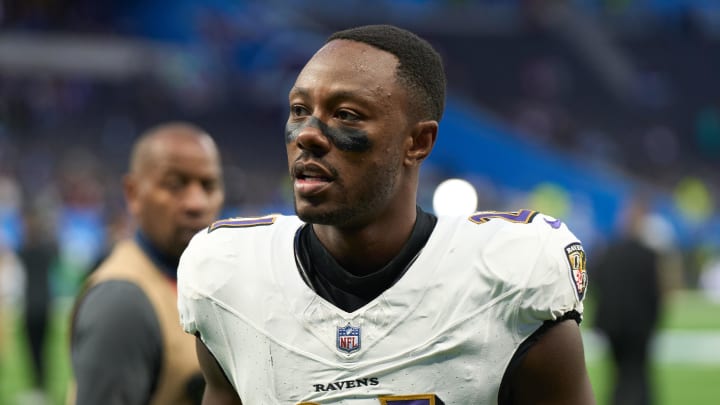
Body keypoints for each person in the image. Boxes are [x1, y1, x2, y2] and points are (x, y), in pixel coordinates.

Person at [178, 24, 595, 404]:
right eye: (300, 110)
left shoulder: (509, 276)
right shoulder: (230, 275)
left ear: (418, 142)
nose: (307, 134)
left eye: (346, 115)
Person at [68, 122, 225, 405]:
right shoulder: (122, 301)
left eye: (208, 185)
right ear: (133, 193)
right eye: (175, 185)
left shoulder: (199, 280)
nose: (196, 203)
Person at [593, 195, 662, 405]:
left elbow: (595, 284)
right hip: (639, 327)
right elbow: (655, 295)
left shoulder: (607, 252)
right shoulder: (648, 255)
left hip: (612, 326)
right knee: (637, 374)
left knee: (619, 373)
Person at [17, 207, 59, 398]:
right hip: (44, 305)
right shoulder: (45, 250)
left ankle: (37, 386)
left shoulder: (25, 251)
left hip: (31, 305)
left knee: (33, 347)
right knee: (42, 347)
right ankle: (42, 385)